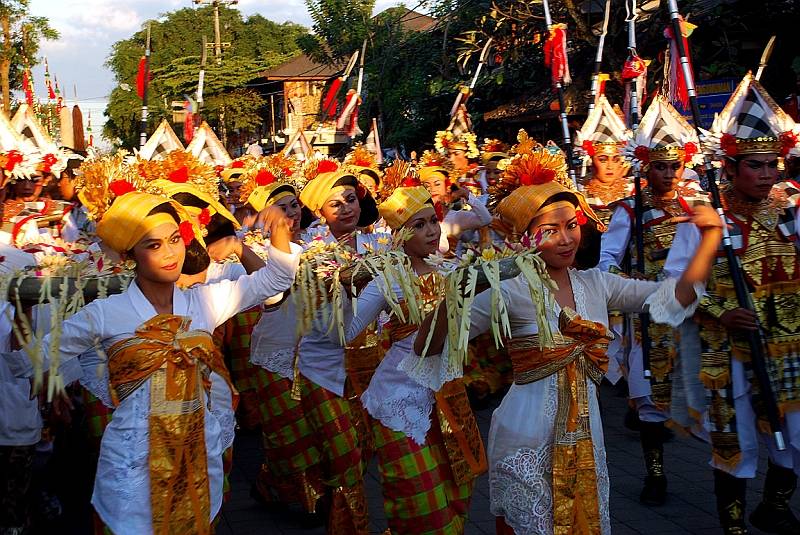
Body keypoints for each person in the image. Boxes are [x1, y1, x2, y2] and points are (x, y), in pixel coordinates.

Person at [406, 143, 723, 535]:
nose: (566, 239)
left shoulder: (597, 284)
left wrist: (711, 237)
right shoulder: (511, 290)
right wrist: (456, 294)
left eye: (571, 226)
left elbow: (674, 299)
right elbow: (427, 347)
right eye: (550, 231)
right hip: (525, 442)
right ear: (524, 238)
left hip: (586, 440)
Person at [3, 189, 301, 535]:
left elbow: (276, 280)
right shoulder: (106, 313)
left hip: (196, 450)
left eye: (174, 239)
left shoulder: (204, 303)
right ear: (130, 255)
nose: (171, 253)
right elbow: (27, 364)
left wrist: (279, 231)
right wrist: (22, 313)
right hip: (135, 457)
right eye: (154, 245)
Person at [665, 73, 800, 535]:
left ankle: (774, 507)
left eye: (772, 165)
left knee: (792, 439)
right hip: (728, 354)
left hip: (788, 348)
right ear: (729, 167)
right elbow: (676, 285)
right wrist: (722, 312)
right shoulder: (705, 219)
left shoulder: (790, 212)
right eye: (755, 166)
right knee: (735, 443)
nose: (766, 175)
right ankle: (734, 527)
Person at [338, 184, 482, 534]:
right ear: (400, 235)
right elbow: (347, 330)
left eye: (433, 221)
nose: (431, 231)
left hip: (447, 399)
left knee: (457, 492)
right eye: (419, 225)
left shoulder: (453, 271)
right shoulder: (389, 279)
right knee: (421, 506)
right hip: (398, 404)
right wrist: (340, 289)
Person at [599, 95, 710, 505]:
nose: (667, 173)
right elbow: (607, 261)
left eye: (673, 166)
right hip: (648, 314)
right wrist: (633, 283)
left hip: (691, 312)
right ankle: (655, 475)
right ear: (646, 167)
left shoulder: (694, 208)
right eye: (660, 166)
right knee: (647, 394)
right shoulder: (630, 210)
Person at [294, 162, 386, 534]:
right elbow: (321, 321)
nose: (346, 208)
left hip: (368, 367)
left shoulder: (378, 246)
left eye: (351, 199)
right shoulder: (309, 253)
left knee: (362, 448)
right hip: (322, 368)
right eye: (336, 204)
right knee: (346, 453)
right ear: (320, 212)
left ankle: (322, 489)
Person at [418, 150, 491, 254]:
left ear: (447, 188)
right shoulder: (418, 219)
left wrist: (467, 195)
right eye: (427, 185)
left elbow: (486, 219)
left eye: (437, 184)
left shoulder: (455, 217)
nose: (432, 189)